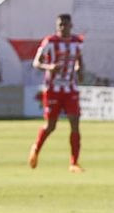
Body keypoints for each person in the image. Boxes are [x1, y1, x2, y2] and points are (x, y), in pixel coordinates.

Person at [29, 14, 85, 172]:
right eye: (60, 25)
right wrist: (50, 67)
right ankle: (36, 149)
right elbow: (36, 62)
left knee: (75, 123)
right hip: (53, 89)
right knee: (51, 126)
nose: (62, 28)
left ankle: (74, 162)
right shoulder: (50, 42)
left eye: (65, 25)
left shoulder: (77, 42)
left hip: (70, 88)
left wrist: (80, 71)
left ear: (70, 25)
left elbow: (80, 61)